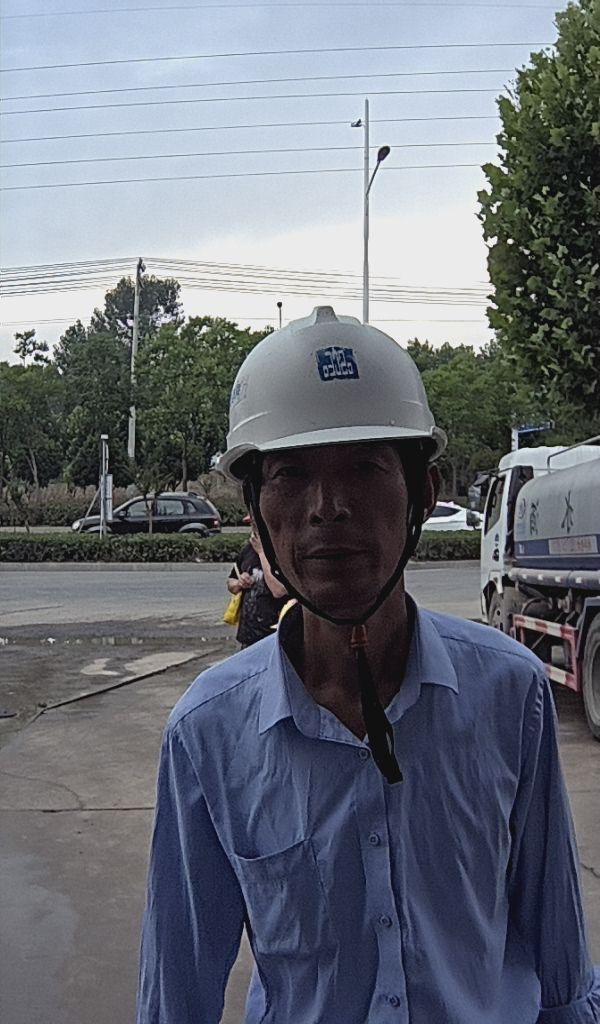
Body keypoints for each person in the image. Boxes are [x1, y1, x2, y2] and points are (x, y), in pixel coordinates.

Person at [137, 307, 600, 1023]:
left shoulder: (509, 694)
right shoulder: (208, 732)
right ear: (254, 509)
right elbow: (176, 998)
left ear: (423, 493)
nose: (328, 508)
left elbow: (563, 979)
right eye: (291, 475)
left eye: (364, 468)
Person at [226, 521, 287, 648]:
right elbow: (231, 583)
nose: (254, 531)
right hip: (247, 635)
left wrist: (261, 553)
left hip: (273, 635)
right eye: (252, 525)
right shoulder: (247, 550)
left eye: (257, 525)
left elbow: (279, 591)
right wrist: (239, 583)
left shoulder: (280, 552)